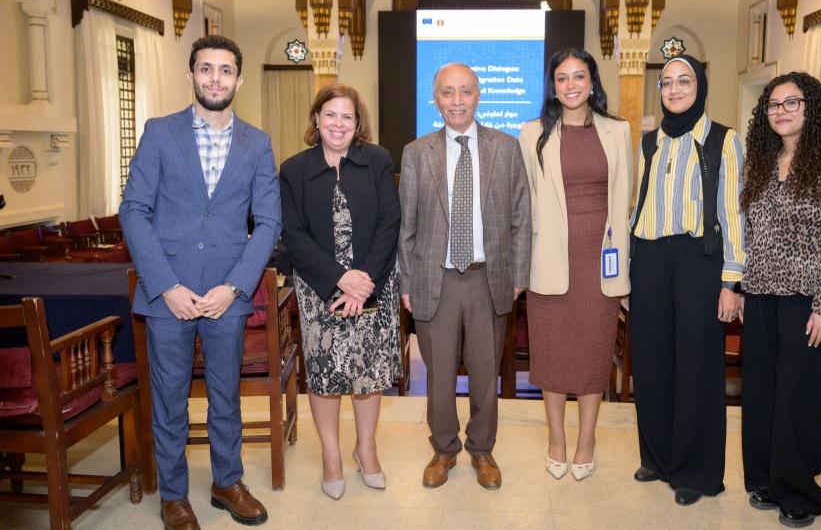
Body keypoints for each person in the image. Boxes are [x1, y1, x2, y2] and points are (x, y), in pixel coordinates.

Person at [120, 35, 280, 530]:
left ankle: (226, 482)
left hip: (225, 297)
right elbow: (134, 210)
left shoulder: (257, 142)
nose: (216, 78)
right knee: (169, 398)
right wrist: (165, 284)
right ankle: (173, 494)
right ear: (191, 75)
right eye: (206, 69)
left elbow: (268, 223)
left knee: (226, 396)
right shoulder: (159, 133)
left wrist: (233, 287)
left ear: (239, 79)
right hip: (167, 294)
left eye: (225, 70)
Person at [398, 62, 531, 490]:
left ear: (478, 95)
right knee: (437, 376)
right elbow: (407, 227)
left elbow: (520, 219)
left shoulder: (506, 149)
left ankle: (482, 449)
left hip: (487, 278)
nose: (457, 101)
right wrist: (406, 283)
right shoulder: (417, 152)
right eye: (447, 93)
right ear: (435, 99)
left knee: (485, 372)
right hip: (433, 278)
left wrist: (518, 274)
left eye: (465, 92)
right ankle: (443, 449)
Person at [739, 72, 821, 528]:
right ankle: (766, 481)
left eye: (791, 103)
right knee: (763, 394)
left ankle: (800, 494)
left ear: (811, 109)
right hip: (762, 296)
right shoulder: (761, 165)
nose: (781, 111)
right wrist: (745, 289)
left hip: (809, 303)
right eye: (773, 105)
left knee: (796, 396)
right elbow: (752, 234)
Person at [628, 54, 745, 506]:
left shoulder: (723, 140)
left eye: (685, 81)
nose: (675, 89)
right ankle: (657, 457)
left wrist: (732, 282)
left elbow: (735, 214)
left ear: (700, 87)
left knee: (696, 365)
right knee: (653, 362)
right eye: (668, 83)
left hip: (701, 260)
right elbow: (633, 207)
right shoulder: (647, 143)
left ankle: (696, 472)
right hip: (651, 260)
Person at [279, 84, 401, 500]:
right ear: (316, 119)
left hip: (375, 282)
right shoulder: (294, 169)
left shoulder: (379, 160)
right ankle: (331, 455)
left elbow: (390, 223)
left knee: (368, 373)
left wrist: (363, 280)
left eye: (346, 116)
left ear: (357, 122)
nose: (338, 123)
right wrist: (338, 278)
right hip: (319, 289)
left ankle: (366, 449)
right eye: (329, 115)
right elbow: (293, 235)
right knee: (326, 375)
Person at [517, 48, 631, 481]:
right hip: (549, 259)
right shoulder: (532, 134)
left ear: (592, 81)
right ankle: (556, 439)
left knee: (592, 354)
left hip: (600, 261)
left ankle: (587, 439)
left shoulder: (618, 130)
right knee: (552, 355)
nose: (570, 85)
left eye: (578, 76)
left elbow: (625, 199)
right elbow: (525, 200)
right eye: (562, 78)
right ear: (553, 85)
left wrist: (625, 267)